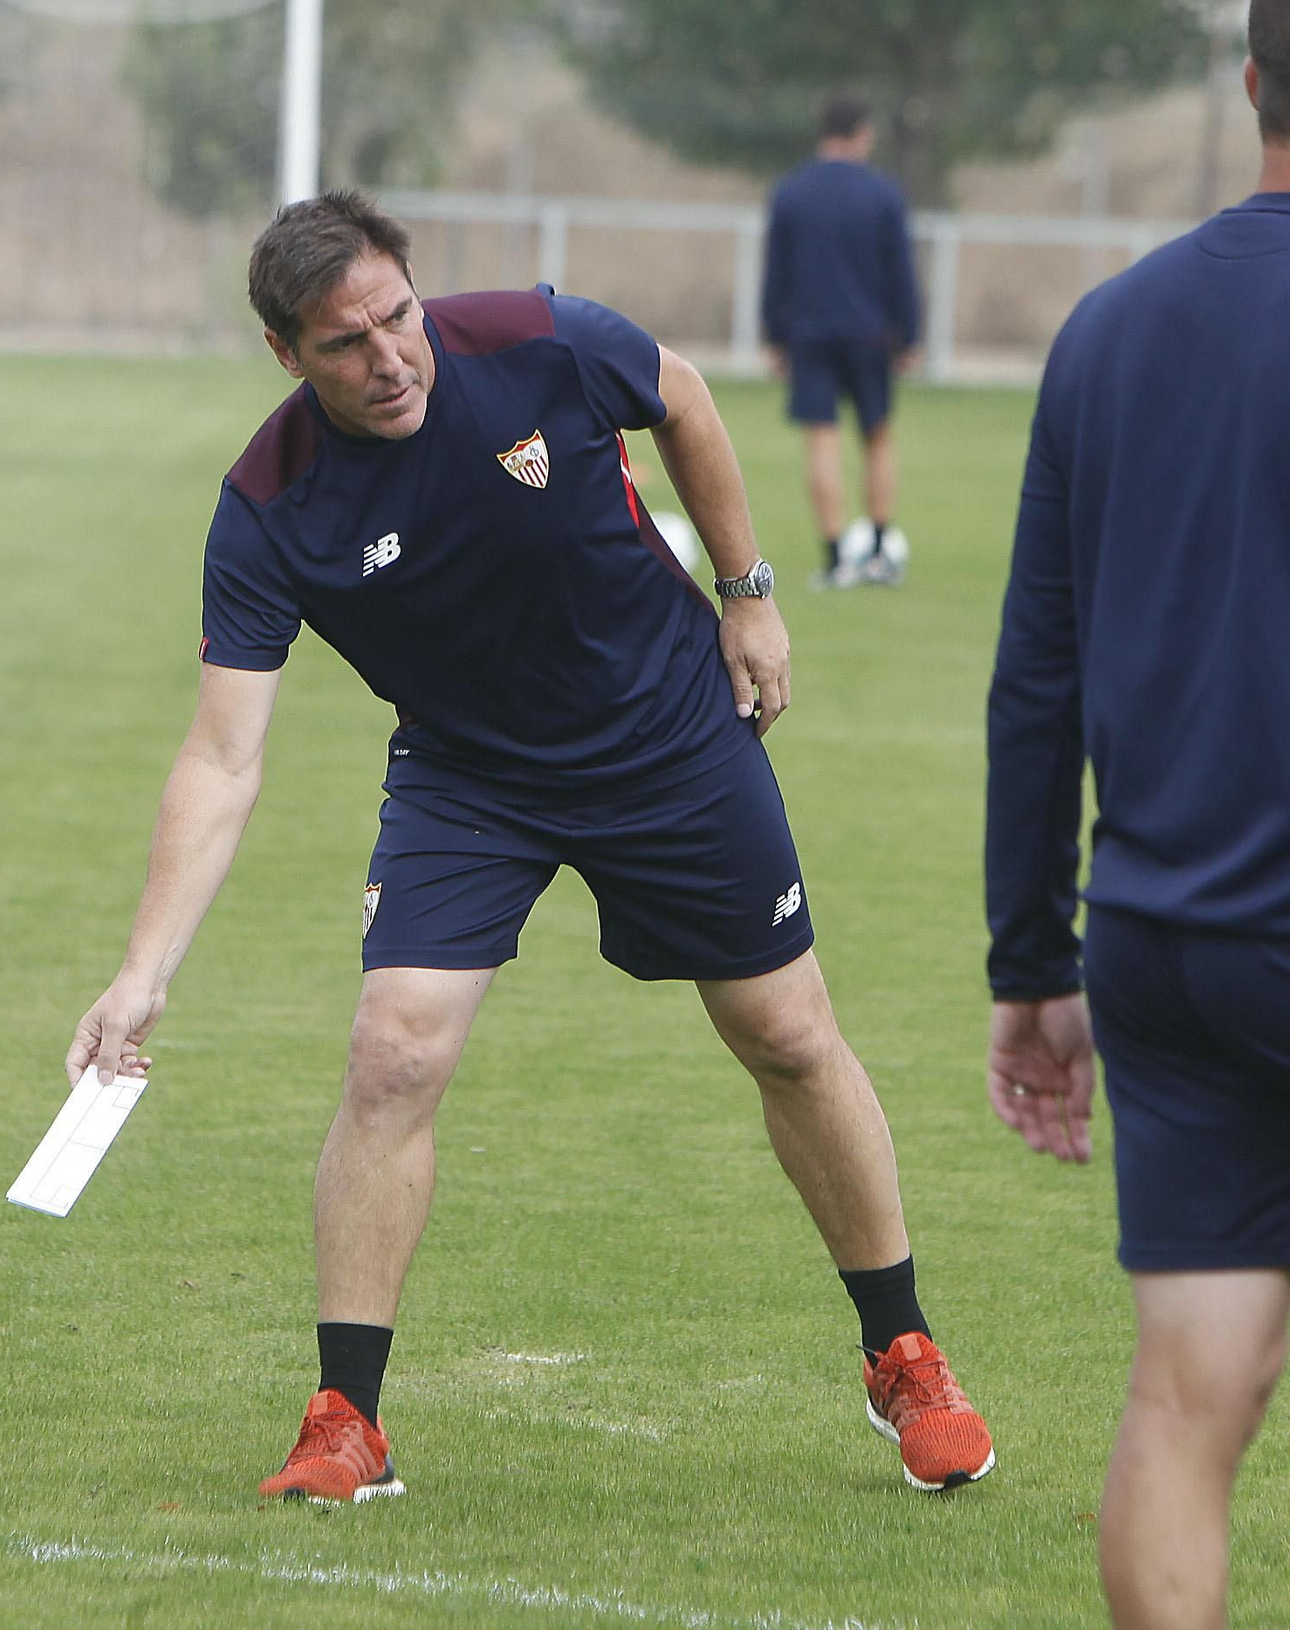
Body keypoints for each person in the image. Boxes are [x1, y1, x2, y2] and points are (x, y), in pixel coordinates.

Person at [68, 188, 992, 1505]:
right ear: (286, 355)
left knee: (785, 1032)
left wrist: (749, 594)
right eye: (345, 345)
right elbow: (221, 753)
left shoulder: (535, 339)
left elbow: (680, 394)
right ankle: (348, 1420)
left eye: (397, 317)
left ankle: (901, 1349)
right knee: (392, 1052)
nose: (389, 358)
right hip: (470, 773)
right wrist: (142, 967)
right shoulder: (272, 505)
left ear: (414, 288)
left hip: (667, 729)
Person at [984, 8, 1290, 1623]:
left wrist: (1035, 964)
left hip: (1167, 945)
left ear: (1253, 83)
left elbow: (1036, 680)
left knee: (1189, 1390)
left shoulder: (1110, 327)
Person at [760, 94, 921, 589]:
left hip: (810, 334)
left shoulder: (791, 191)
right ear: (862, 133)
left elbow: (776, 273)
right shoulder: (883, 193)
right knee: (877, 437)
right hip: (871, 333)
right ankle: (876, 550)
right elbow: (902, 273)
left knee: (822, 440)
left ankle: (834, 559)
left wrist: (774, 336)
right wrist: (909, 335)